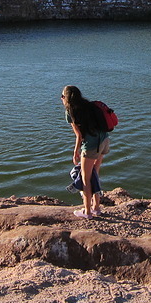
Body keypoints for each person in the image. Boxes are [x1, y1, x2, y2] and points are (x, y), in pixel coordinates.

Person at [61, 85, 110, 219]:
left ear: (66, 98)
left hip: (91, 145)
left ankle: (87, 212)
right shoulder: (90, 105)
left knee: (85, 179)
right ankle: (96, 207)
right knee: (95, 173)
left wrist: (75, 152)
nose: (61, 99)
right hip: (104, 140)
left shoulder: (70, 112)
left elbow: (79, 136)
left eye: (62, 96)